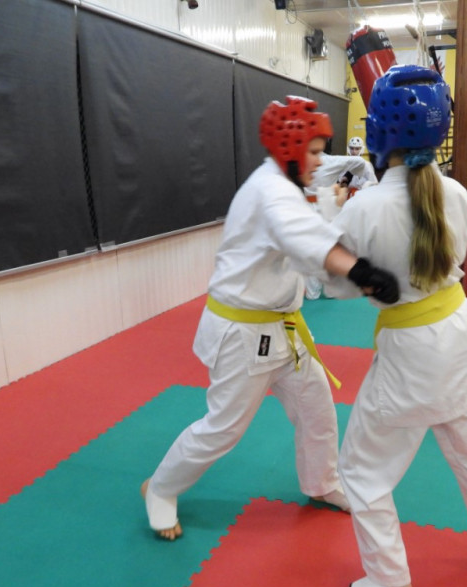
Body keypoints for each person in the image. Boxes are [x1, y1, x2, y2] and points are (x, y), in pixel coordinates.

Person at [141, 96, 400, 541]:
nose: (319, 161)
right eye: (313, 152)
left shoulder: (285, 184)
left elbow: (311, 232)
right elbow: (307, 239)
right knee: (223, 428)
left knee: (316, 407)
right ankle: (161, 488)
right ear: (289, 149)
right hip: (242, 334)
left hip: (283, 328)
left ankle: (322, 482)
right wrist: (363, 272)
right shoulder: (271, 192)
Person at [323, 65, 467, 587]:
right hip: (460, 331)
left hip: (411, 350)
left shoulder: (365, 208)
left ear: (378, 132)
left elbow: (337, 288)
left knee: (361, 471)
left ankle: (388, 581)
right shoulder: (456, 193)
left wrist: (333, 223)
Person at [303, 143, 377, 300]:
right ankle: (327, 290)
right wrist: (373, 184)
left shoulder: (326, 161)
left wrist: (371, 184)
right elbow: (362, 163)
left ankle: (314, 292)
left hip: (317, 206)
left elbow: (361, 163)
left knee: (314, 250)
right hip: (321, 206)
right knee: (325, 248)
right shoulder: (330, 161)